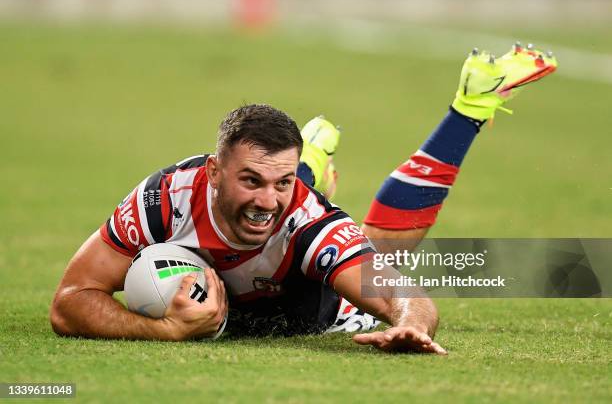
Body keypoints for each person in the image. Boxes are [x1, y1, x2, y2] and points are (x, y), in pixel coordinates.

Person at [50, 44, 556, 354]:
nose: (269, 199)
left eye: (282, 182)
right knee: (266, 208)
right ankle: (310, 163)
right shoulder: (165, 199)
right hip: (255, 245)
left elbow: (405, 295)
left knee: (384, 251)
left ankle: (466, 113)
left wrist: (410, 326)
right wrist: (164, 332)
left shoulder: (308, 221)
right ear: (213, 172)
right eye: (250, 179)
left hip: (309, 303)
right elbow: (68, 304)